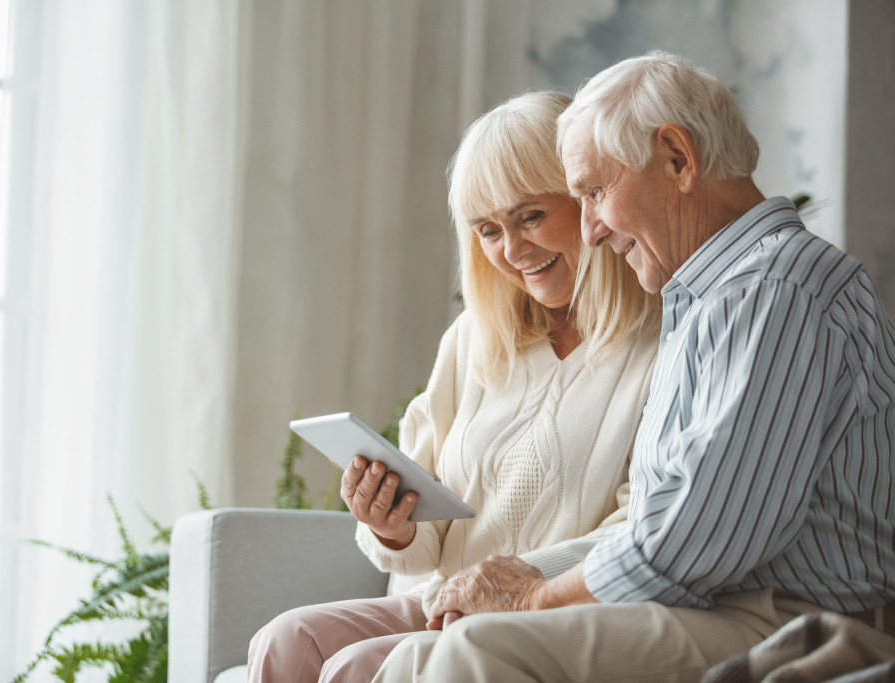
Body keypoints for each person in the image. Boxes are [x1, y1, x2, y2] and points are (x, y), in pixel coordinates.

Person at [374, 50, 895, 683]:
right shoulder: (710, 298)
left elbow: (702, 538)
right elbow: (664, 525)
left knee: (473, 652)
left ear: (678, 159)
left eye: (595, 192)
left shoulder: (778, 288)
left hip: (780, 617)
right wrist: (524, 576)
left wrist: (532, 596)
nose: (590, 231)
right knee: (415, 658)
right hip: (706, 601)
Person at [246, 90, 661, 683]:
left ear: (588, 198)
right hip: (446, 600)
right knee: (286, 639)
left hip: (554, 609)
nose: (513, 251)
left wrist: (518, 581)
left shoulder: (665, 339)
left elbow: (649, 525)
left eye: (531, 216)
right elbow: (421, 540)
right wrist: (393, 524)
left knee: (360, 665)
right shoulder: (474, 339)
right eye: (489, 230)